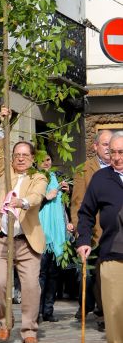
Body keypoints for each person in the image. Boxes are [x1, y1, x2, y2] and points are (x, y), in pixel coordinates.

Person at [0, 107, 47, 343]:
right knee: (1, 283)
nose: (21, 158)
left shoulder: (38, 177)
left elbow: (36, 197)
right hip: (3, 239)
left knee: (31, 287)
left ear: (32, 158)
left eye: (25, 155)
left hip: (27, 241)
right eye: (17, 155)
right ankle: (4, 323)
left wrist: (21, 202)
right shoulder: (5, 173)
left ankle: (29, 330)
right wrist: (4, 123)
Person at [77, 131, 123, 343]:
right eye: (112, 152)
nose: (116, 157)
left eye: (121, 152)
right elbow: (85, 213)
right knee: (114, 308)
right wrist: (83, 241)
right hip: (112, 251)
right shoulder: (101, 179)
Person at [71, 129, 113, 324]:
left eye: (110, 144)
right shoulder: (84, 169)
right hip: (95, 231)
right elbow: (78, 202)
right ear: (95, 146)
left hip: (115, 231)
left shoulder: (118, 166)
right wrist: (82, 233)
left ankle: (106, 312)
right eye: (104, 144)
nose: (108, 148)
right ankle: (95, 309)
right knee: (95, 273)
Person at [37, 153, 73, 323]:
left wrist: (68, 193)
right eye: (42, 160)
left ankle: (48, 310)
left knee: (54, 274)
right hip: (42, 233)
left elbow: (65, 207)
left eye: (48, 160)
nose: (46, 163)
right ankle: (36, 311)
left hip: (58, 234)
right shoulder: (35, 179)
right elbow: (29, 205)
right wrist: (46, 197)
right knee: (40, 274)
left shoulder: (57, 179)